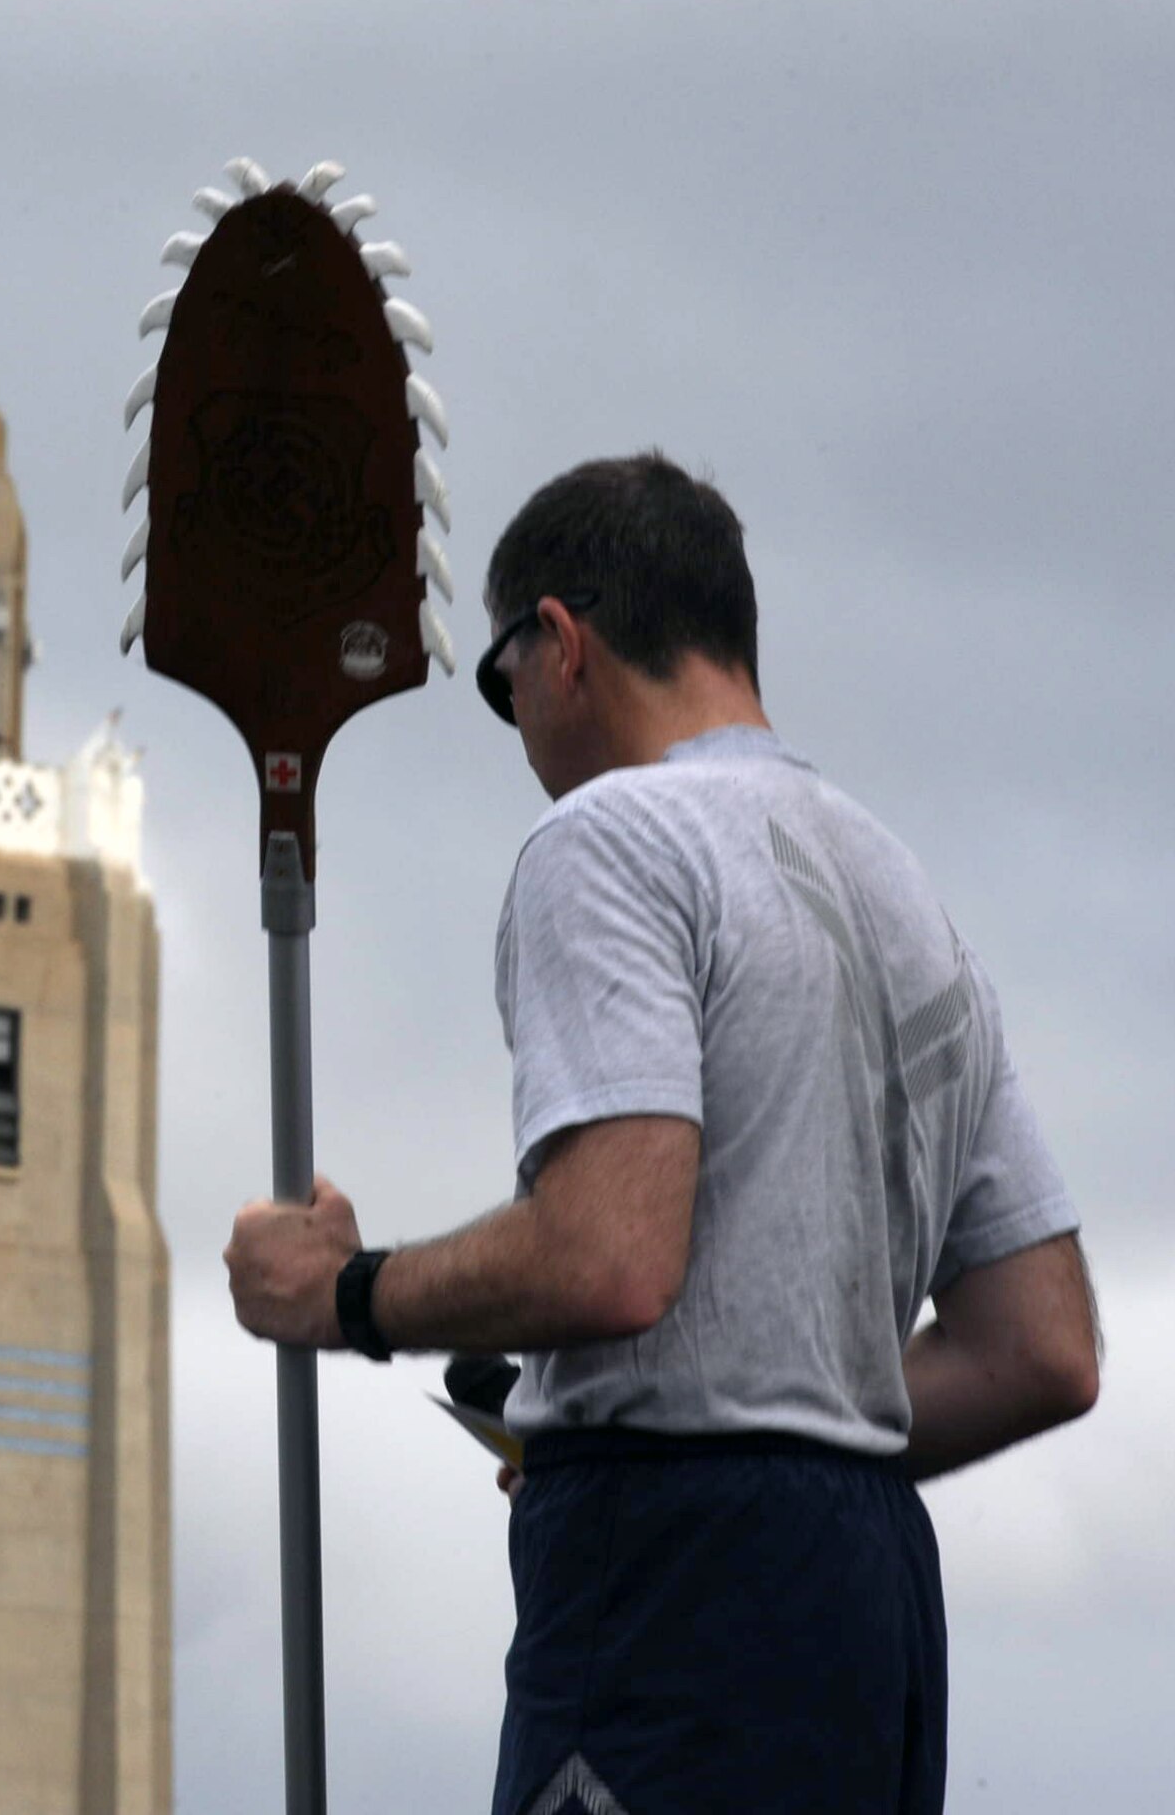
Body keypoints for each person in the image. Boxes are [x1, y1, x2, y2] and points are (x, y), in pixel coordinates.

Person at [223, 452, 1101, 1815]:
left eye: (499, 683)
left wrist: (343, 1292)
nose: (513, 726)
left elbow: (612, 1256)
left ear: (558, 644)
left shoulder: (609, 841)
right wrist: (792, 1425)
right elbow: (1043, 1346)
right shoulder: (901, 889)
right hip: (872, 1608)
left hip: (673, 1585)